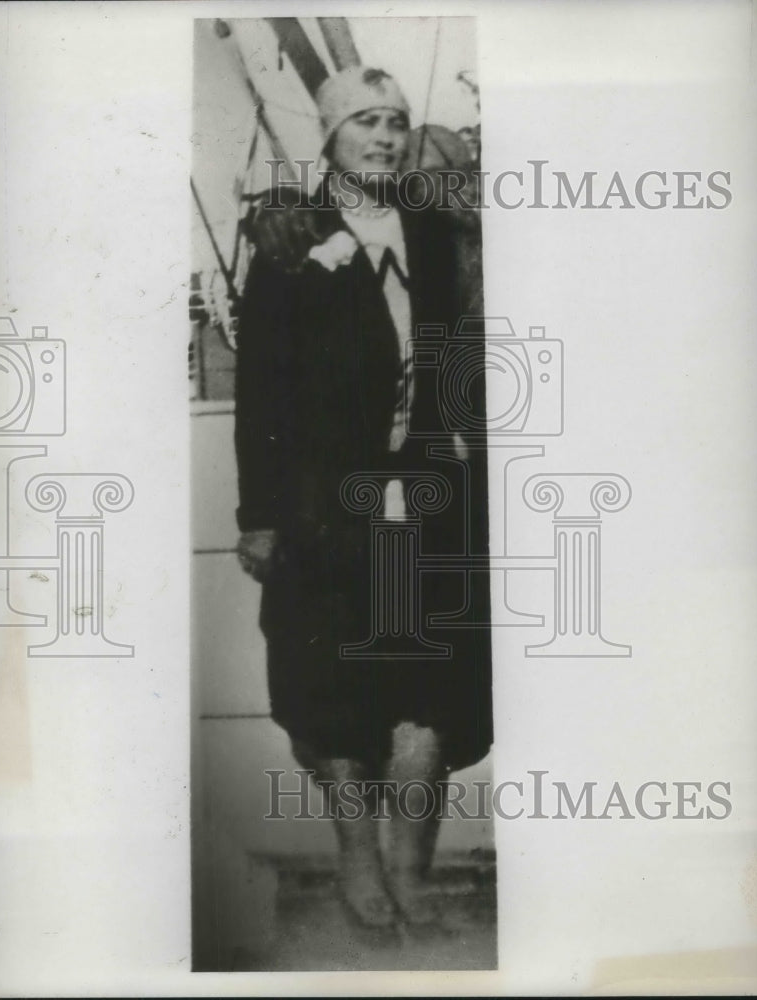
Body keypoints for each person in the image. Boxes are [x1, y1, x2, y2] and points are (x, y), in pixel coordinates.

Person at [234, 66, 492, 934]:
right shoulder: (287, 230)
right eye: (364, 123)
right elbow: (262, 396)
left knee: (434, 680)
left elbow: (460, 339)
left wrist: (458, 435)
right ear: (330, 136)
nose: (382, 138)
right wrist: (260, 517)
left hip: (429, 491)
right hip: (325, 505)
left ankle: (412, 869)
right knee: (334, 680)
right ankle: (356, 856)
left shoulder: (435, 226)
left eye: (395, 122)